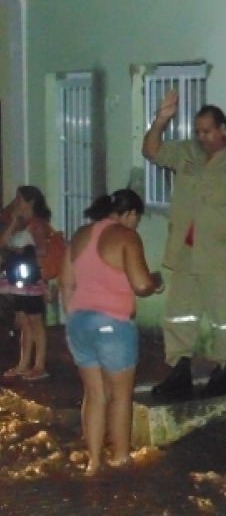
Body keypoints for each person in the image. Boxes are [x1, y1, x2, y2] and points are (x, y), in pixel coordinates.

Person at [142, 90, 226, 399]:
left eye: (207, 131)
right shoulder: (187, 152)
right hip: (184, 253)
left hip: (222, 257)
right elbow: (151, 151)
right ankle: (179, 371)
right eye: (198, 131)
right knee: (179, 314)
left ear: (222, 129)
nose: (202, 137)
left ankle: (221, 371)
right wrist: (161, 120)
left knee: (225, 317)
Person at [61, 189, 163, 476]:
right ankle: (120, 457)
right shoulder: (126, 237)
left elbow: (65, 283)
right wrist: (156, 282)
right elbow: (141, 284)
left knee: (94, 394)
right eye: (137, 218)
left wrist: (73, 319)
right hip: (113, 325)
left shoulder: (80, 235)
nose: (136, 224)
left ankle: (93, 461)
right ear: (129, 214)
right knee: (120, 396)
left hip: (79, 323)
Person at [0, 186, 53, 381]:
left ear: (30, 202)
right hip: (18, 279)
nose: (16, 202)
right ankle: (23, 363)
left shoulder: (37, 224)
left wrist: (43, 282)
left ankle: (39, 365)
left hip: (32, 281)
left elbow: (42, 252)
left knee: (35, 322)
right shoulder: (20, 224)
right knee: (23, 322)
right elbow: (3, 243)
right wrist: (14, 222)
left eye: (20, 199)